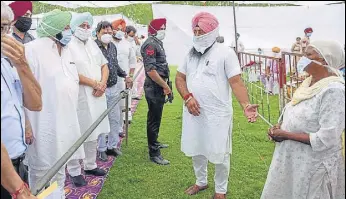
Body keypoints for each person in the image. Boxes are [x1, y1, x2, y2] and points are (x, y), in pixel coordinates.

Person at [175, 12, 258, 199]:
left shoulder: (226, 53)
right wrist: (188, 98)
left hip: (217, 114)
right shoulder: (190, 52)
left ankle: (221, 190)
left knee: (220, 151)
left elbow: (236, 82)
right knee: (196, 146)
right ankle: (201, 181)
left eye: (201, 30)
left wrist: (245, 105)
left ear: (212, 31)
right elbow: (180, 78)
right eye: (195, 30)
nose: (197, 33)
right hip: (193, 110)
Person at [262, 40, 345, 199]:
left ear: (324, 60)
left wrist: (286, 135)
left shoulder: (334, 91)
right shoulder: (308, 83)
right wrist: (280, 127)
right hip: (293, 159)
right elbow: (294, 111)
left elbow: (326, 139)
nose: (302, 58)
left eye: (308, 55)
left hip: (314, 165)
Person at [24, 9, 85, 199]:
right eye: (65, 27)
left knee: (61, 165)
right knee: (41, 170)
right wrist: (26, 124)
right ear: (53, 27)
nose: (69, 31)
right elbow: (23, 89)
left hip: (66, 119)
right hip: (42, 122)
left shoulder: (66, 50)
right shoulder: (32, 49)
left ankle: (57, 196)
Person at [1, 2, 42, 198]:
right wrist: (17, 187)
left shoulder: (7, 60)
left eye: (8, 27)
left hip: (16, 159)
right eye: (2, 27)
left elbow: (35, 103)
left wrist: (22, 64)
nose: (6, 34)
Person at [66, 12, 109, 187]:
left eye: (87, 26)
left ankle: (90, 165)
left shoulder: (92, 43)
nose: (85, 29)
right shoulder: (68, 44)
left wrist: (103, 83)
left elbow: (104, 64)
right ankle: (74, 170)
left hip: (98, 94)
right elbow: (71, 71)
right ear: (74, 26)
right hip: (80, 96)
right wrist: (94, 84)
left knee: (94, 130)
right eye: (82, 25)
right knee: (77, 133)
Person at [95, 21, 129, 160]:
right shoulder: (93, 47)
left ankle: (112, 146)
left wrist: (125, 75)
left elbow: (115, 65)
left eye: (110, 32)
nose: (108, 35)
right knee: (102, 119)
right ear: (97, 33)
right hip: (100, 89)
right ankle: (101, 148)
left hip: (114, 87)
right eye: (104, 32)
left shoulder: (112, 46)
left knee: (114, 118)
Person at [140, 18, 171, 165]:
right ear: (153, 29)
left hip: (158, 85)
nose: (163, 30)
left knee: (156, 117)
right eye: (162, 28)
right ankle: (154, 153)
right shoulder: (150, 44)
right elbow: (151, 70)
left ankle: (155, 142)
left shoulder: (157, 42)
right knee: (153, 118)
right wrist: (164, 85)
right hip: (154, 86)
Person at [112, 19, 136, 132]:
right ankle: (110, 130)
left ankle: (120, 128)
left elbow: (132, 62)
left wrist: (130, 76)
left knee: (122, 105)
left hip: (123, 80)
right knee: (110, 107)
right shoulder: (108, 43)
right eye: (117, 29)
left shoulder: (127, 44)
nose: (119, 32)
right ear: (112, 30)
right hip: (109, 81)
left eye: (122, 30)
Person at [125, 25, 142, 100]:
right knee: (127, 81)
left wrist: (137, 42)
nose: (132, 37)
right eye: (131, 35)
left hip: (133, 65)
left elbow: (139, 53)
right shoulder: (123, 42)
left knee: (133, 79)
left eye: (133, 35)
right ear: (126, 33)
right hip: (125, 66)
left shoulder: (133, 43)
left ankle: (134, 94)